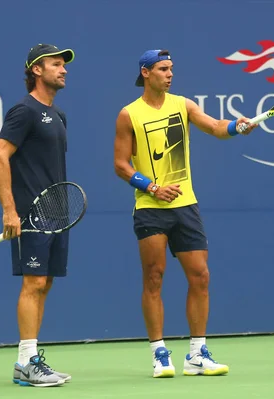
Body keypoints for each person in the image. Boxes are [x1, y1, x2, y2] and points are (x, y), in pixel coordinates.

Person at [113, 49, 257, 378]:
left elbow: (217, 126)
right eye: (163, 69)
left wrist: (236, 126)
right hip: (151, 207)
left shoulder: (183, 105)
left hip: (185, 205)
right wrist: (152, 188)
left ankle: (197, 354)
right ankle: (159, 353)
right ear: (146, 73)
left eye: (172, 69)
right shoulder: (128, 115)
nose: (170, 74)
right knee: (154, 278)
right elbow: (121, 165)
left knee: (201, 277)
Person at [0, 44, 75, 387]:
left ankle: (32, 359)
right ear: (37, 70)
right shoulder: (23, 111)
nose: (64, 69)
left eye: (63, 65)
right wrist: (9, 209)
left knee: (46, 283)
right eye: (56, 64)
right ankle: (25, 361)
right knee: (33, 282)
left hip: (57, 212)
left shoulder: (59, 115)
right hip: (31, 213)